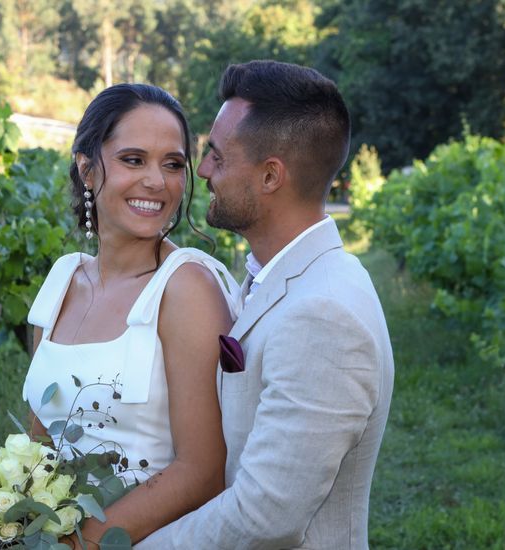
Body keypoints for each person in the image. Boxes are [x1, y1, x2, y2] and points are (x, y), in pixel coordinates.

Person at [136, 61, 394, 549]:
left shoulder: (323, 315)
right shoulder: (289, 277)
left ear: (271, 175)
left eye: (217, 156)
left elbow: (265, 515)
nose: (204, 171)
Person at [20, 83, 242, 546]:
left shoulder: (186, 288)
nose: (157, 182)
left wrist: (78, 544)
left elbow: (203, 471)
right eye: (133, 160)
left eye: (173, 164)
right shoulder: (62, 279)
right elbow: (39, 440)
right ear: (86, 169)